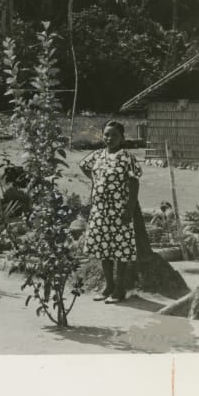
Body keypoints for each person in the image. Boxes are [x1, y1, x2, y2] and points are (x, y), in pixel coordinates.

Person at [80, 121, 141, 304]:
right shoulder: (97, 155)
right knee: (103, 248)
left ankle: (119, 290)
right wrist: (97, 180)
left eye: (114, 135)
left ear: (122, 138)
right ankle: (108, 287)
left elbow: (134, 184)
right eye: (106, 134)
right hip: (99, 210)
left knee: (120, 250)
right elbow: (83, 166)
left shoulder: (127, 158)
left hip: (119, 211)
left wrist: (129, 210)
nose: (109, 138)